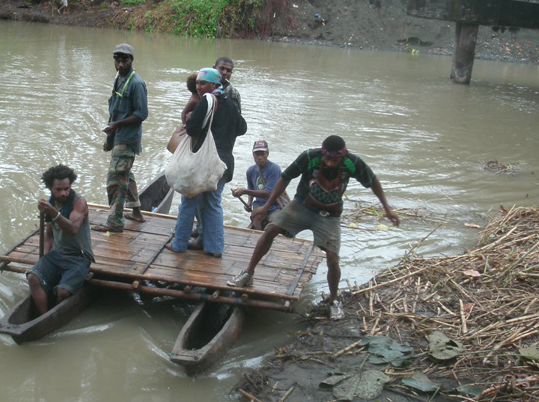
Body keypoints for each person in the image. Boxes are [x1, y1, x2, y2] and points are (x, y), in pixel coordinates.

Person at [228, 135, 400, 320]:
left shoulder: (352, 163)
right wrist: (266, 206)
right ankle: (248, 273)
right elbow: (285, 178)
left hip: (329, 215)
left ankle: (333, 301)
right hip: (301, 206)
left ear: (342, 156)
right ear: (322, 152)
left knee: (333, 258)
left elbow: (373, 181)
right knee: (270, 230)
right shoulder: (310, 157)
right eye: (327, 158)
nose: (330, 162)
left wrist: (387, 209)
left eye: (335, 160)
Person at [168, 67, 247, 257]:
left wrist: (189, 118)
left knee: (188, 203)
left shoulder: (207, 101)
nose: (199, 87)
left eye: (203, 83)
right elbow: (242, 128)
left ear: (214, 84)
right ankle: (215, 248)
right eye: (197, 83)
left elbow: (193, 129)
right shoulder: (230, 103)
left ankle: (179, 244)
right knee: (213, 205)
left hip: (204, 163)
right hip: (223, 163)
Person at [27, 164, 95, 315]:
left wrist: (52, 212)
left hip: (79, 257)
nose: (63, 193)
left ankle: (55, 315)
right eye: (58, 190)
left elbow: (72, 229)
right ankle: (43, 316)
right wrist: (44, 258)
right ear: (51, 188)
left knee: (63, 292)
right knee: (33, 277)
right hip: (57, 254)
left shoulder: (79, 202)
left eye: (67, 189)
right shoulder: (50, 203)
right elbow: (49, 234)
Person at [96, 43, 147, 233]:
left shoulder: (136, 83)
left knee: (116, 179)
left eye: (124, 59)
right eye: (117, 59)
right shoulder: (119, 78)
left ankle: (115, 221)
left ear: (131, 60)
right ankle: (136, 212)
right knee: (125, 175)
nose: (120, 63)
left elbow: (142, 114)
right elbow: (114, 109)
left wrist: (117, 125)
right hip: (117, 136)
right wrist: (110, 138)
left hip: (128, 138)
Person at [232, 139, 286, 230]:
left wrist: (244, 191)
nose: (260, 157)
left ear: (267, 154)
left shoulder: (274, 169)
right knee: (256, 219)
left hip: (275, 205)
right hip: (259, 204)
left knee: (272, 222)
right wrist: (249, 203)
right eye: (257, 154)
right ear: (253, 155)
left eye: (262, 154)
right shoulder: (250, 171)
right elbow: (251, 187)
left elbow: (268, 193)